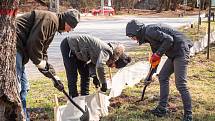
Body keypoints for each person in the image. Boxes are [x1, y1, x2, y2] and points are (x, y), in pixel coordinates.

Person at [16, 9, 80, 120]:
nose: (70, 31)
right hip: (13, 46)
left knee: (24, 88)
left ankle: (23, 118)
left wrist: (54, 77)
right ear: (66, 22)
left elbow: (42, 52)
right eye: (71, 27)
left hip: (20, 51)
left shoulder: (53, 25)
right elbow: (34, 44)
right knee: (15, 88)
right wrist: (39, 63)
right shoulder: (50, 19)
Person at [126, 20, 193, 121]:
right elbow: (155, 59)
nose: (133, 39)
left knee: (180, 84)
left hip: (181, 51)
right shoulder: (149, 38)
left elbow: (169, 40)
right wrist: (149, 75)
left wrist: (158, 53)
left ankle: (188, 115)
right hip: (173, 53)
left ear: (137, 32)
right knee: (162, 76)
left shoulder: (150, 31)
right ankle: (162, 109)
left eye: (132, 36)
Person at [60, 34, 131, 97]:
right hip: (69, 45)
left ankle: (85, 96)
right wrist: (103, 83)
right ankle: (74, 98)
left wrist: (94, 77)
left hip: (81, 52)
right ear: (116, 60)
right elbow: (100, 66)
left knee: (85, 74)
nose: (112, 67)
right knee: (72, 75)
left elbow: (92, 63)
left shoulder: (108, 55)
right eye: (115, 66)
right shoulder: (107, 51)